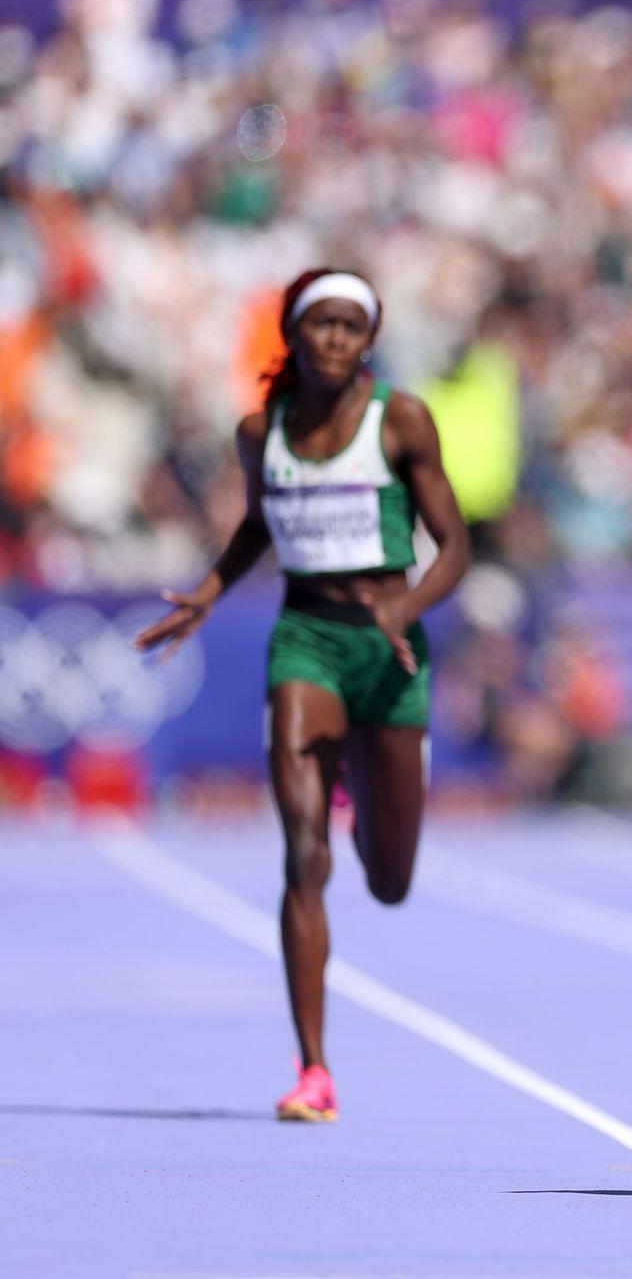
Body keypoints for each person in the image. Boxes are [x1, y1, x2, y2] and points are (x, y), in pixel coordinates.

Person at [135, 269, 470, 1122]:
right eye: (317, 324)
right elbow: (260, 522)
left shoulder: (401, 419)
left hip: (387, 648)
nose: (332, 339)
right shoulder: (262, 430)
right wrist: (212, 590)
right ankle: (313, 1071)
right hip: (306, 640)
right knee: (302, 854)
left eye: (348, 327)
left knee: (390, 879)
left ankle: (368, 799)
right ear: (292, 332)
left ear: (370, 337)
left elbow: (456, 545)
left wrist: (407, 600)